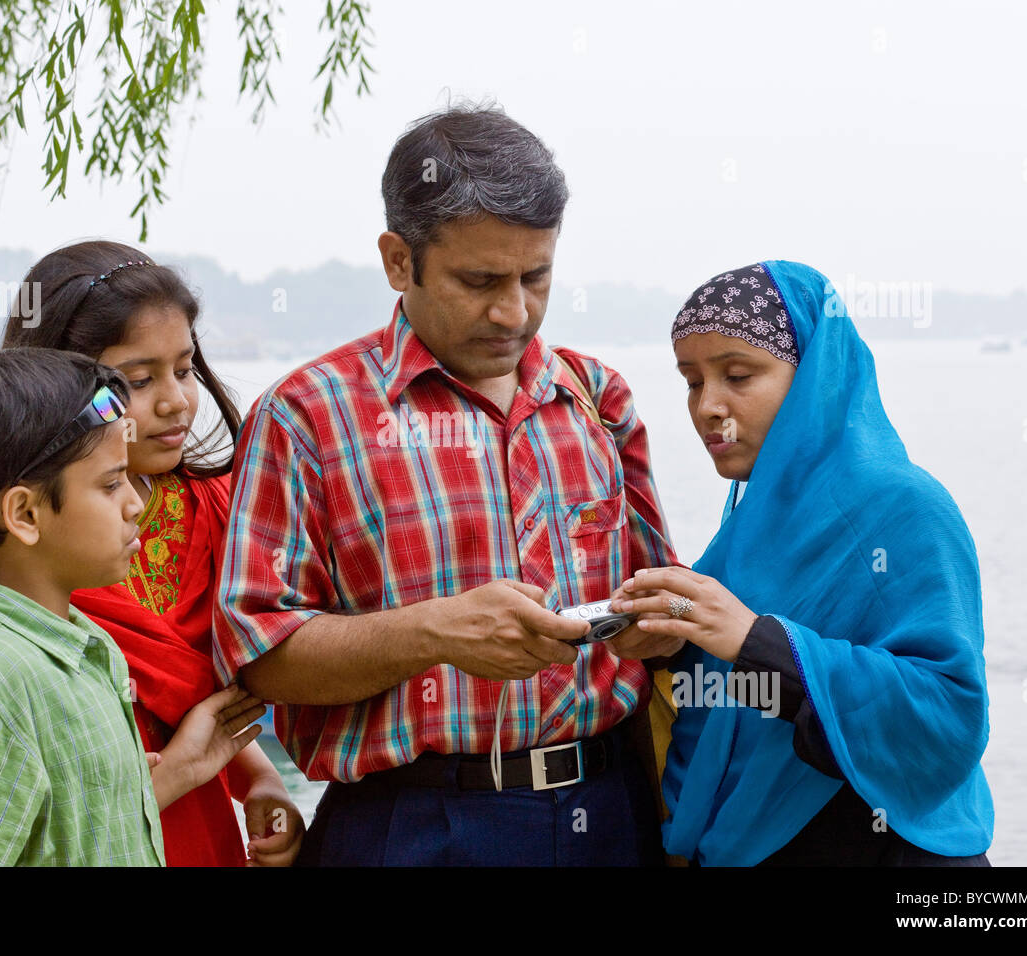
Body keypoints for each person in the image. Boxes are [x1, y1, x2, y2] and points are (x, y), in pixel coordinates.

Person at [213, 102, 682, 866]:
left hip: (613, 811)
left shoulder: (599, 396)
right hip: (410, 826)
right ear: (399, 260)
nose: (514, 311)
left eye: (537, 276)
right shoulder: (307, 416)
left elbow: (660, 603)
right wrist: (435, 632)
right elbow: (259, 657)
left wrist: (657, 623)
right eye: (480, 279)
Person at [0, 241, 304, 867]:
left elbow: (184, 701)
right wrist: (152, 779)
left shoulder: (211, 509)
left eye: (187, 368)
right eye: (139, 381)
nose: (176, 401)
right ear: (60, 384)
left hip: (195, 833)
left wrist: (261, 779)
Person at [609, 260, 994, 865]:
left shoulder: (904, 509)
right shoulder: (753, 524)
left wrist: (757, 640)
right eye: (691, 380)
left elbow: (949, 718)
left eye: (738, 374)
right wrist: (669, 645)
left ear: (816, 376)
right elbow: (728, 682)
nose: (708, 405)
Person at [0, 348, 260, 865]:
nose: (136, 504)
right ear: (25, 514)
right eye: (111, 483)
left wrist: (179, 770)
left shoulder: (86, 649)